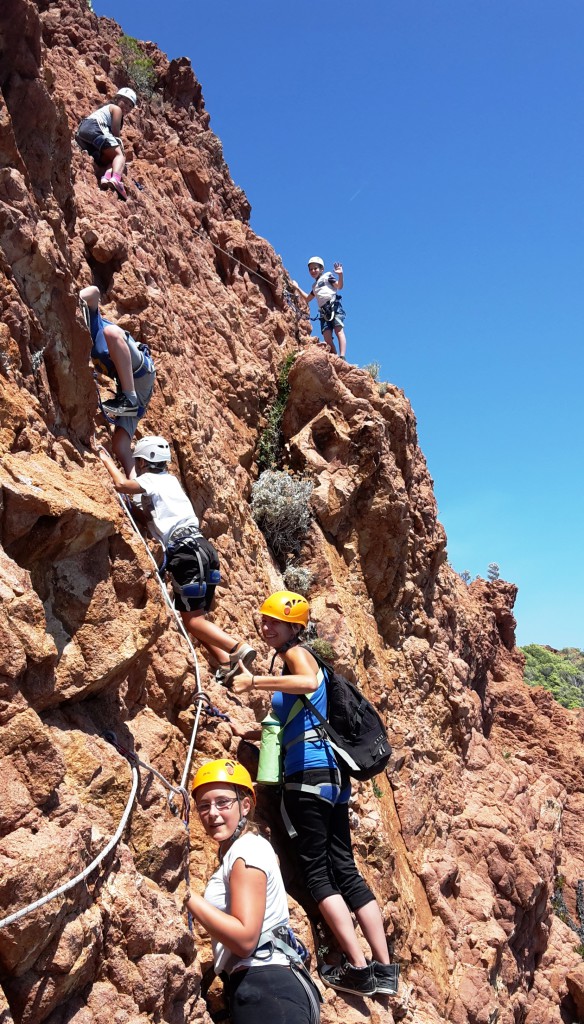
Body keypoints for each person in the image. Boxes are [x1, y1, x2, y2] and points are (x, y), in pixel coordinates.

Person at [231, 590, 399, 998]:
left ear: (294, 628)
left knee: (318, 873)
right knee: (346, 869)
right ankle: (384, 968)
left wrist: (253, 680)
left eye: (274, 622)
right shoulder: (302, 660)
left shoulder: (297, 655)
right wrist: (248, 733)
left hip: (306, 775)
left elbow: (304, 680)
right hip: (334, 779)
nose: (265, 626)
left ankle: (357, 969)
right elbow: (293, 718)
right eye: (264, 619)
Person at [98, 436, 256, 682]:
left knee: (193, 622)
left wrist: (106, 460)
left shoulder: (150, 480)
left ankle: (237, 648)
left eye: (138, 461)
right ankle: (226, 663)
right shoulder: (170, 481)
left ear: (143, 461)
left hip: (186, 553)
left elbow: (122, 485)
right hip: (204, 549)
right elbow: (150, 516)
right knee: (196, 618)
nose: (137, 466)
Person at [186, 759, 321, 1024]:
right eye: (204, 805)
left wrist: (187, 897)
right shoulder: (245, 850)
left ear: (245, 805)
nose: (212, 813)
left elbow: (245, 938)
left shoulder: (246, 851)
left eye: (223, 802)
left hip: (266, 986)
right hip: (274, 987)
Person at [80, 285, 156, 477]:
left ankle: (129, 398)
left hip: (140, 374)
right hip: (129, 385)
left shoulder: (93, 323)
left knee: (112, 333)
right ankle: (137, 493)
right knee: (120, 445)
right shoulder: (80, 344)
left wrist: (75, 297)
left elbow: (95, 292)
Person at [75, 87, 137, 201]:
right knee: (119, 156)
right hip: (94, 129)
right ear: (117, 98)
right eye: (126, 102)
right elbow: (115, 134)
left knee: (111, 158)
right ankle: (116, 180)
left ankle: (106, 178)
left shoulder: (104, 110)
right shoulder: (116, 109)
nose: (127, 107)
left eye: (130, 106)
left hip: (83, 135)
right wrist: (121, 154)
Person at [291, 257, 347, 358]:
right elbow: (307, 299)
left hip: (333, 306)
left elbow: (339, 286)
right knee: (327, 337)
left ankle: (342, 356)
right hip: (324, 312)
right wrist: (297, 288)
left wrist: (340, 274)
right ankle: (335, 356)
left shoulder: (328, 276)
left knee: (338, 330)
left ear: (321, 269)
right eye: (311, 269)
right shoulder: (314, 286)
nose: (313, 271)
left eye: (315, 268)